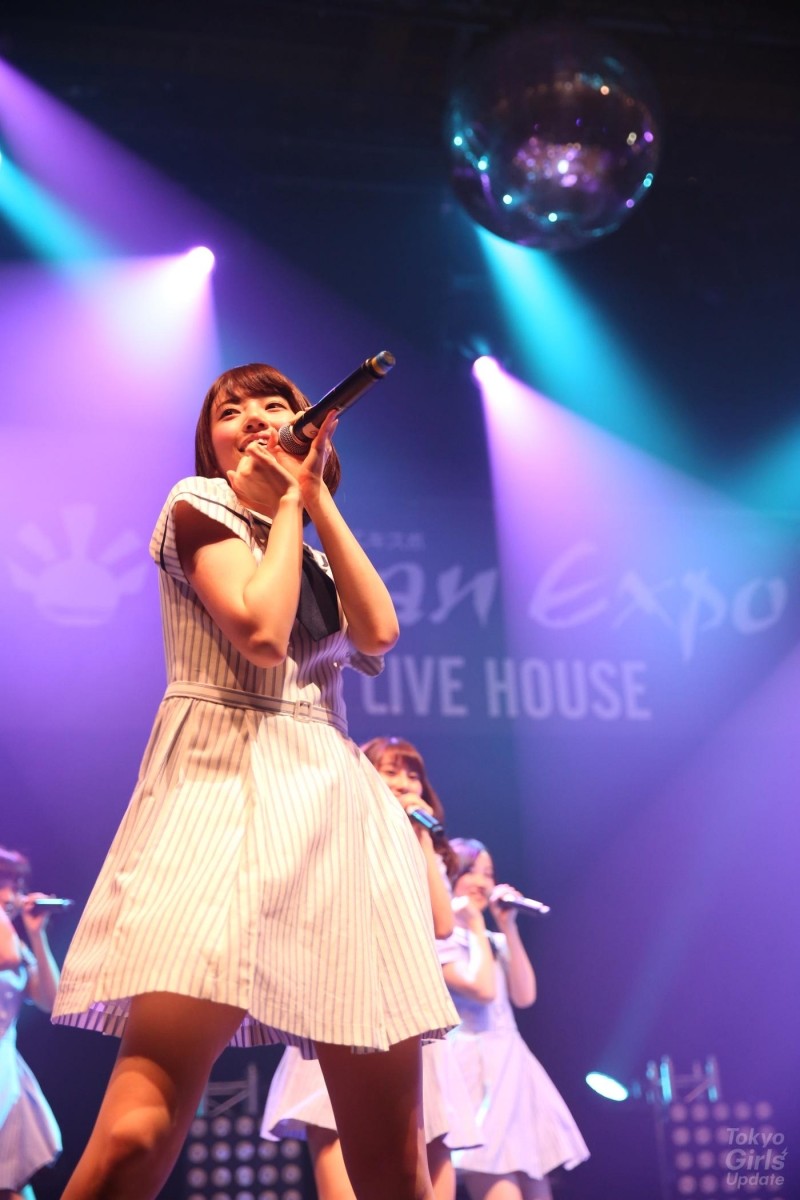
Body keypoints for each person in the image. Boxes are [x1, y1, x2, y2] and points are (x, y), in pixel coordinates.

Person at [50, 362, 458, 1200]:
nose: (256, 417)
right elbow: (263, 633)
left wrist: (312, 498)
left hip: (334, 815)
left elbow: (379, 632)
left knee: (394, 1169)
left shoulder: (312, 550)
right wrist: (284, 510)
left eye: (276, 404)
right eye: (230, 411)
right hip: (220, 794)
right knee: (134, 1134)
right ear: (213, 444)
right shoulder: (195, 505)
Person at [262, 736, 481, 1200]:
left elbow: (442, 925)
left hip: (412, 1015)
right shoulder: (340, 834)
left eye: (413, 774)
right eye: (391, 771)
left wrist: (420, 837)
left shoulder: (426, 847)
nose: (405, 783)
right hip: (343, 1003)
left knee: (425, 1167)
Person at [440, 838, 589, 1200]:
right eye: (471, 872)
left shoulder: (493, 940)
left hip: (514, 1066)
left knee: (536, 1184)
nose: (482, 882)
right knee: (497, 1180)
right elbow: (483, 990)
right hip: (474, 1070)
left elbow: (524, 996)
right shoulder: (443, 942)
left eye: (488, 874)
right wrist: (475, 926)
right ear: (449, 877)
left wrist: (508, 927)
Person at [0, 846, 63, 1200]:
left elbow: (51, 1000)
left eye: (16, 885)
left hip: (6, 1066)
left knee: (12, 1183)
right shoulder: (7, 942)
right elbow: (7, 956)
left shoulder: (12, 940)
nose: (12, 895)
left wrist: (37, 934)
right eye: (4, 884)